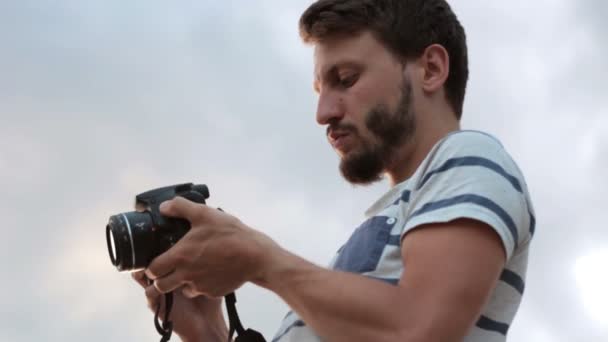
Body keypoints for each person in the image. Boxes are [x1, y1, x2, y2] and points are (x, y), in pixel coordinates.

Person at [132, 0, 535, 341]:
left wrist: (261, 261)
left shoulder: (469, 157)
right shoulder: (368, 249)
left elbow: (418, 328)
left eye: (345, 79)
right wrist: (208, 331)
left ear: (430, 69)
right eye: (320, 90)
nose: (323, 113)